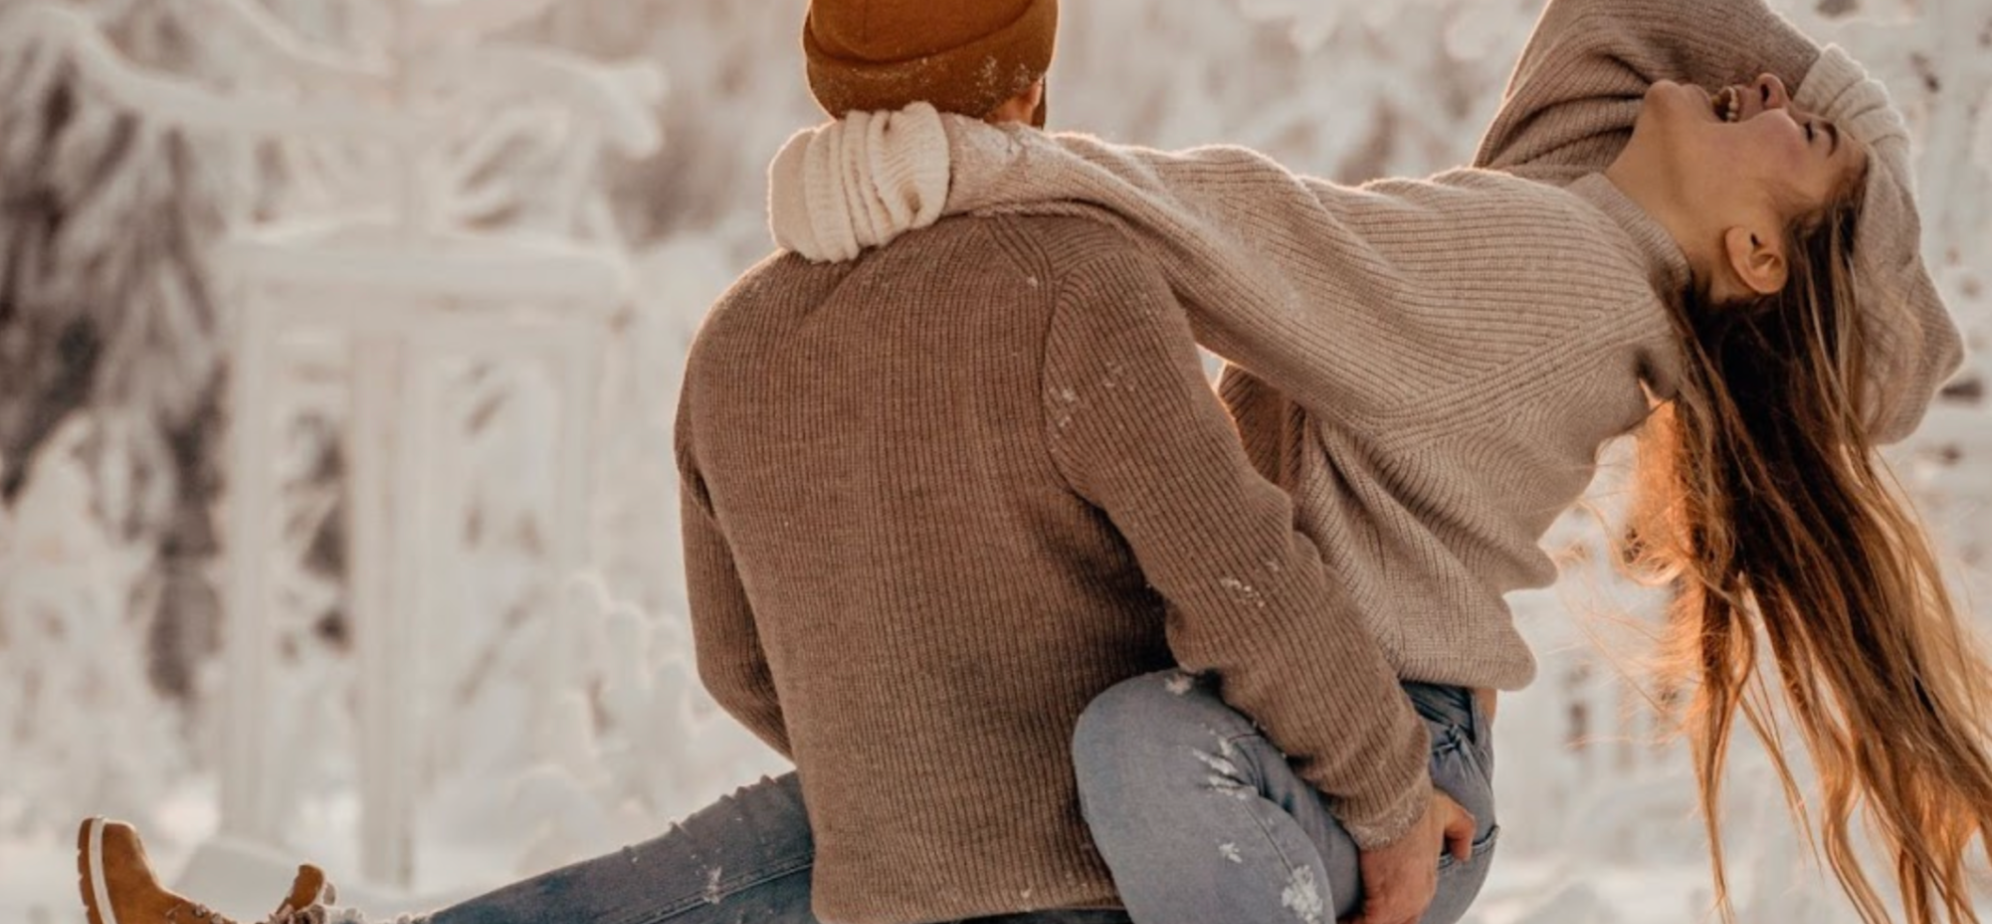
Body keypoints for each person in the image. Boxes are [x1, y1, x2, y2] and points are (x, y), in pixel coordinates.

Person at [74, 2, 1484, 924]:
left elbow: (741, 671)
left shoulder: (739, 337)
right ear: (1031, 83)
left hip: (879, 881)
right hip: (1100, 879)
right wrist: (1384, 793)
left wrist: (915, 772)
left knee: (687, 876)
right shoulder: (1077, 282)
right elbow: (1242, 579)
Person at [771, 0, 1990, 920]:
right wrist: (1840, 109)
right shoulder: (1577, 228)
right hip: (1300, 738)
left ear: (1758, 258)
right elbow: (1611, 19)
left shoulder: (1551, 276)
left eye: (1803, 124)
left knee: (1127, 746)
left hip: (1356, 772)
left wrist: (959, 168)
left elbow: (1255, 232)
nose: (1765, 80)